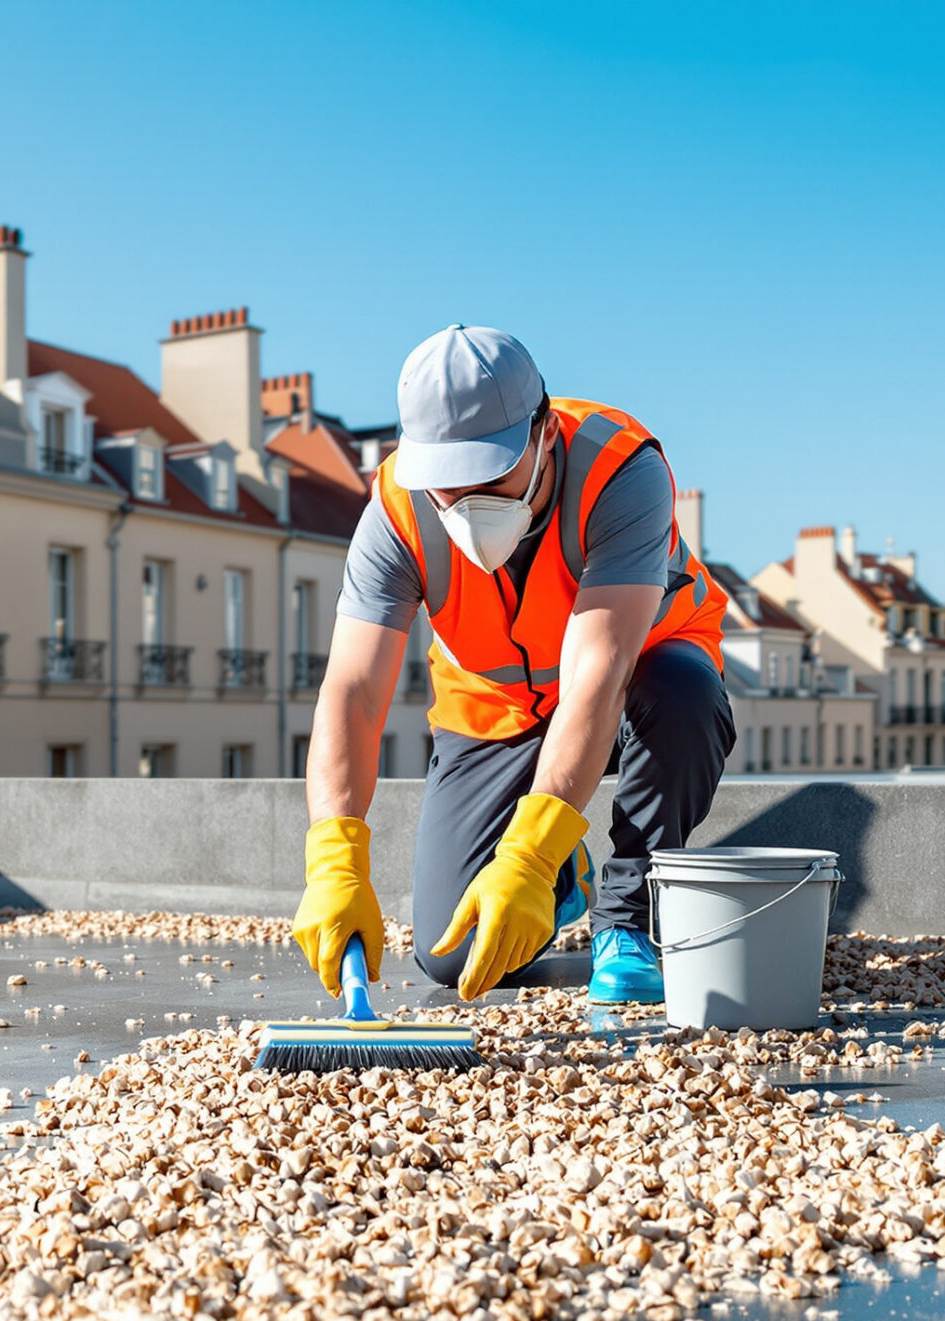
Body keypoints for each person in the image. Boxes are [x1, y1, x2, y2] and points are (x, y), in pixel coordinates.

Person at [292, 325, 738, 1005]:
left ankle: (627, 920)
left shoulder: (621, 473)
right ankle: (566, 879)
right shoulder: (396, 509)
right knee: (454, 953)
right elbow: (352, 691)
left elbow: (599, 675)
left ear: (546, 434)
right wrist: (334, 855)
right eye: (447, 480)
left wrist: (526, 853)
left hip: (634, 685)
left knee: (682, 691)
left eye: (490, 471)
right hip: (494, 711)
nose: (468, 500)